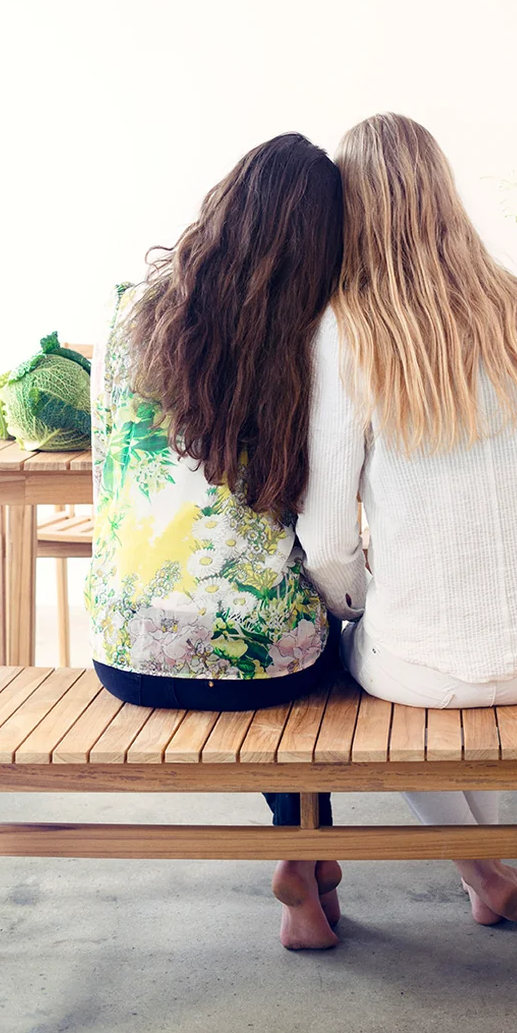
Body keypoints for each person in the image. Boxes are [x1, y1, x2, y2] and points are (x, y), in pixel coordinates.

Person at [297, 113, 517, 926]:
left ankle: (484, 877)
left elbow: (327, 543)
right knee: (455, 658)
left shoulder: (345, 333)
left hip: (424, 671)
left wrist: (362, 603)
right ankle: (486, 882)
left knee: (357, 660)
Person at [84, 133, 345, 950]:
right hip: (257, 669)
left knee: (271, 619)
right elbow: (322, 518)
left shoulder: (129, 313)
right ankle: (303, 855)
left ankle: (312, 874)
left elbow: (106, 471)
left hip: (122, 649)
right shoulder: (309, 339)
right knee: (321, 636)